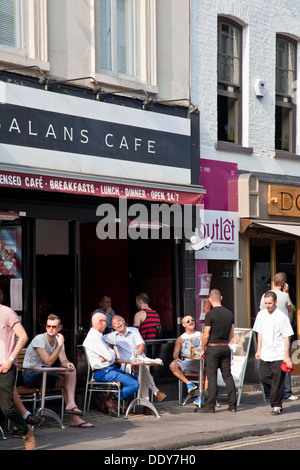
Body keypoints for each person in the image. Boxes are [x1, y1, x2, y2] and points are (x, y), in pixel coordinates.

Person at [22, 314, 93, 428]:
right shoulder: (39, 339)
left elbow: (63, 360)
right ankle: (73, 415)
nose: (51, 328)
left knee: (71, 371)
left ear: (59, 328)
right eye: (48, 326)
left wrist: (68, 364)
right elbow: (48, 361)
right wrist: (59, 345)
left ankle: (71, 406)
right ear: (45, 327)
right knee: (65, 382)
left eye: (54, 327)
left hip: (43, 372)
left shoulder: (57, 341)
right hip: (30, 374)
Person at [105, 315, 166, 413]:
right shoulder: (112, 336)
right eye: (115, 323)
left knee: (142, 367)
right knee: (141, 370)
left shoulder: (133, 331)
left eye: (119, 320)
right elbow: (98, 341)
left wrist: (136, 358)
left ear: (124, 320)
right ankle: (152, 396)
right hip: (126, 364)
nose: (118, 323)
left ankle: (146, 402)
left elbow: (141, 345)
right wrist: (109, 349)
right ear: (113, 327)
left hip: (139, 359)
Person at [83, 312, 139, 416]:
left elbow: (109, 356)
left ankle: (112, 398)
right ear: (100, 322)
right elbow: (111, 357)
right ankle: (113, 398)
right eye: (106, 322)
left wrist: (109, 353)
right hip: (103, 372)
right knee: (134, 384)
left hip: (109, 370)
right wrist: (110, 353)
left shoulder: (98, 337)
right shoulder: (94, 338)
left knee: (135, 380)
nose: (107, 325)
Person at [0, 293, 36, 450]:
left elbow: (23, 337)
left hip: (5, 366)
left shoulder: (7, 312)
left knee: (7, 406)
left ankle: (25, 430)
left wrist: (10, 359)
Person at [253, 290, 294, 415]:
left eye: (270, 303)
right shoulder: (261, 315)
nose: (267, 305)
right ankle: (276, 394)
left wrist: (286, 356)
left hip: (278, 354)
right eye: (265, 303)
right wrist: (259, 350)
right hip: (265, 353)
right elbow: (259, 333)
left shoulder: (282, 317)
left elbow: (286, 337)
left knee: (278, 380)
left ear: (276, 302)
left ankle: (277, 405)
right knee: (263, 377)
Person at [259, 272, 297, 401]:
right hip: (282, 335)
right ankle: (285, 391)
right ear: (283, 284)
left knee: (268, 369)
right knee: (283, 365)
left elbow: (261, 311)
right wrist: (287, 294)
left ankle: (271, 393)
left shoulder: (265, 296)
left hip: (268, 336)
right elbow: (292, 309)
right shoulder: (285, 296)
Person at [199, 289, 236, 413]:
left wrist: (203, 349)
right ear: (221, 298)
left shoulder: (210, 314)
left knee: (212, 376)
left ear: (210, 300)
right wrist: (225, 342)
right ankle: (233, 406)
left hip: (213, 348)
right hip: (225, 347)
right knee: (227, 375)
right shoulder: (230, 314)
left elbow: (206, 334)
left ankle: (210, 406)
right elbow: (232, 333)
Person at [169, 315, 202, 395]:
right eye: (188, 321)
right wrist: (176, 358)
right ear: (183, 325)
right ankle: (189, 384)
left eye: (192, 320)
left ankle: (201, 396)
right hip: (188, 363)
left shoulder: (201, 335)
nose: (191, 322)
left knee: (211, 369)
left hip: (201, 363)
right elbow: (175, 354)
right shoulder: (180, 338)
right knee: (172, 365)